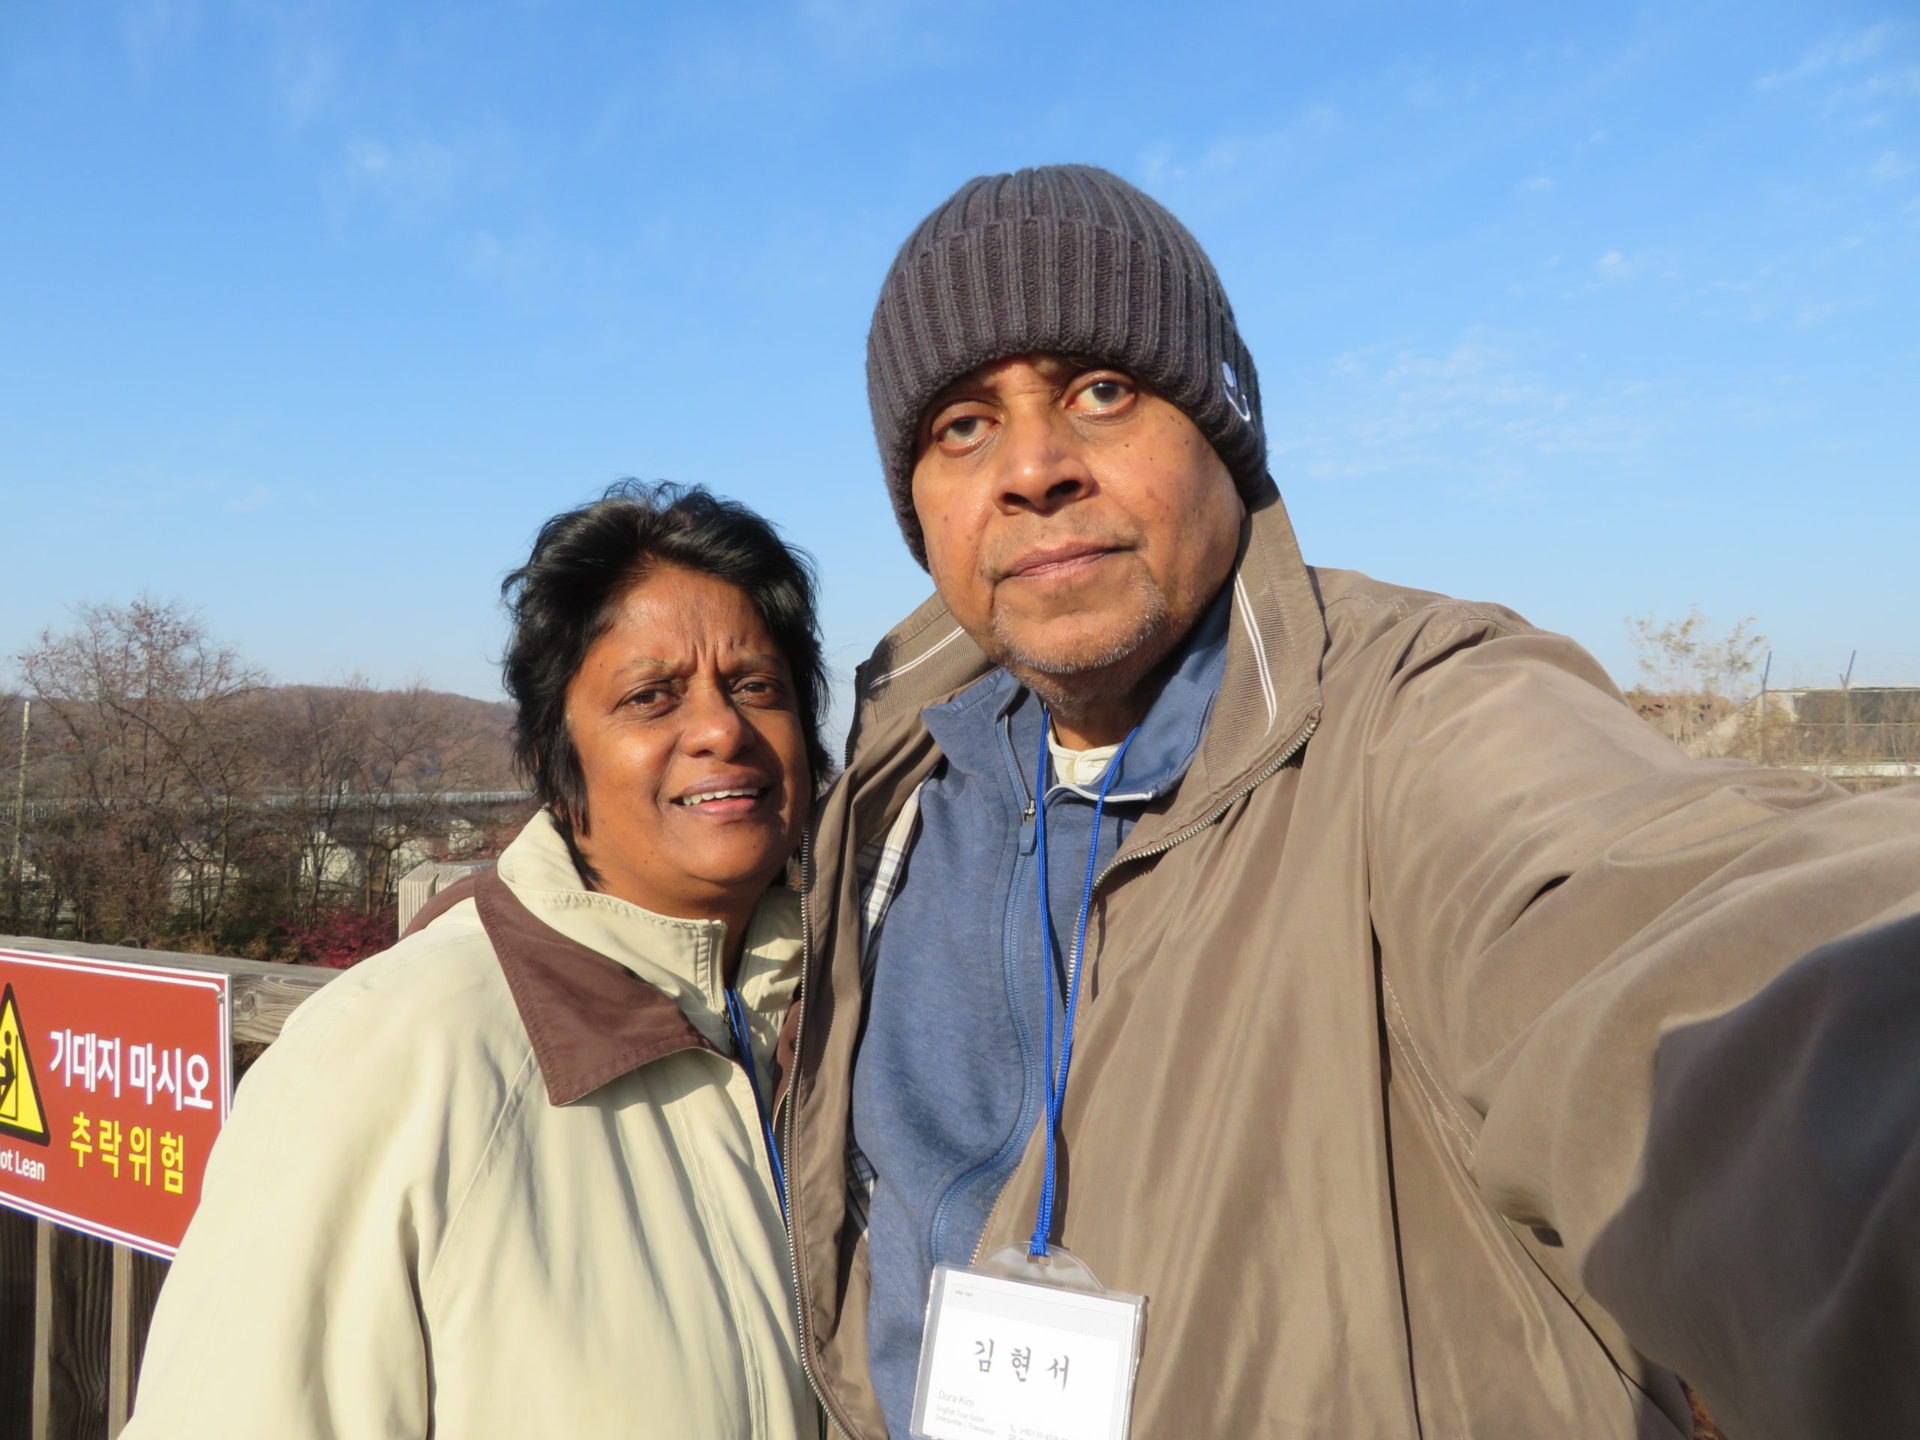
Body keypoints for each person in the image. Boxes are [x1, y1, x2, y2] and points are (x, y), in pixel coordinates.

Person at [781, 164, 1920, 1440]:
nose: (1034, 467)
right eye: (962, 426)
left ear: (1222, 430)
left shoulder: (1416, 719)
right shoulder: (894, 790)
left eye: (1102, 390)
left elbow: (1674, 934)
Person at [126, 483, 829, 1438]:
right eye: (649, 696)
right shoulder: (390, 1051)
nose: (720, 729)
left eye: (756, 686)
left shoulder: (847, 1014)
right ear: (557, 755)